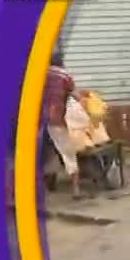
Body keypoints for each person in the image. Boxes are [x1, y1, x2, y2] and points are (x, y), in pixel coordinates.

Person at [42, 52, 83, 199]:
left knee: (49, 152)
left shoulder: (40, 75)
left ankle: (46, 183)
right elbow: (76, 96)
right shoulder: (64, 76)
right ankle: (76, 189)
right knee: (68, 154)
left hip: (40, 121)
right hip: (56, 120)